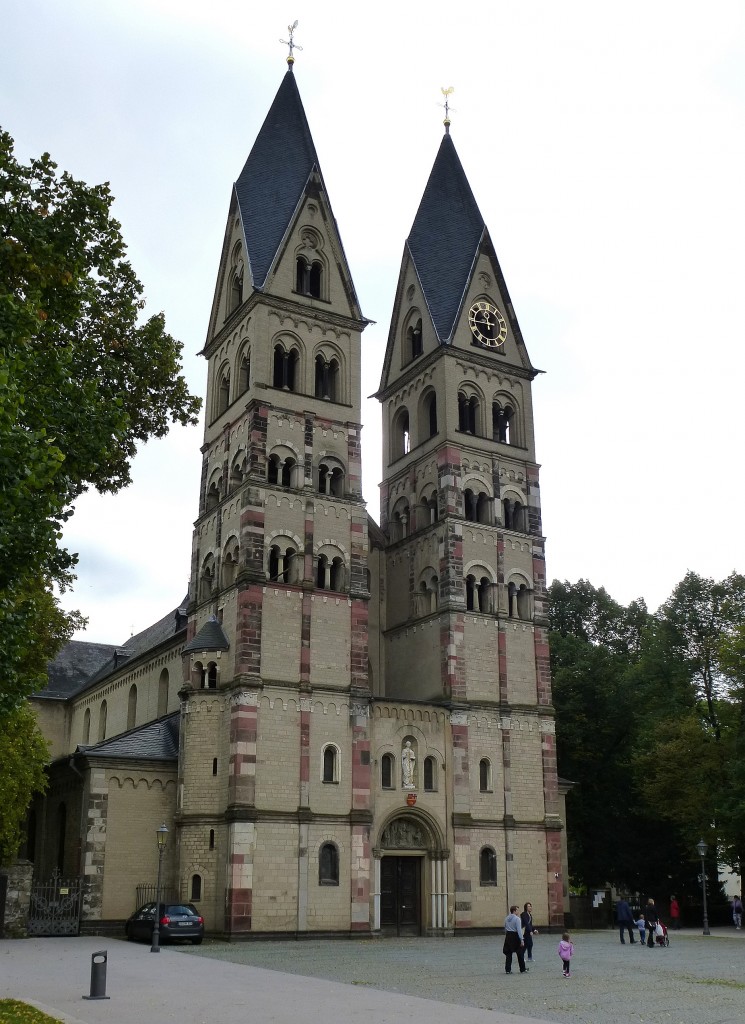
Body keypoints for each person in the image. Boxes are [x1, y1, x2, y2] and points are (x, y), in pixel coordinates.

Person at [503, 905, 528, 974]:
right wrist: (522, 939)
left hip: (508, 935)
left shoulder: (506, 918)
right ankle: (522, 969)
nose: (518, 911)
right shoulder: (517, 919)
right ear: (514, 911)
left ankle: (508, 969)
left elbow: (505, 928)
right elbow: (519, 930)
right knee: (520, 953)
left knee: (508, 953)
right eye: (517, 910)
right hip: (515, 935)